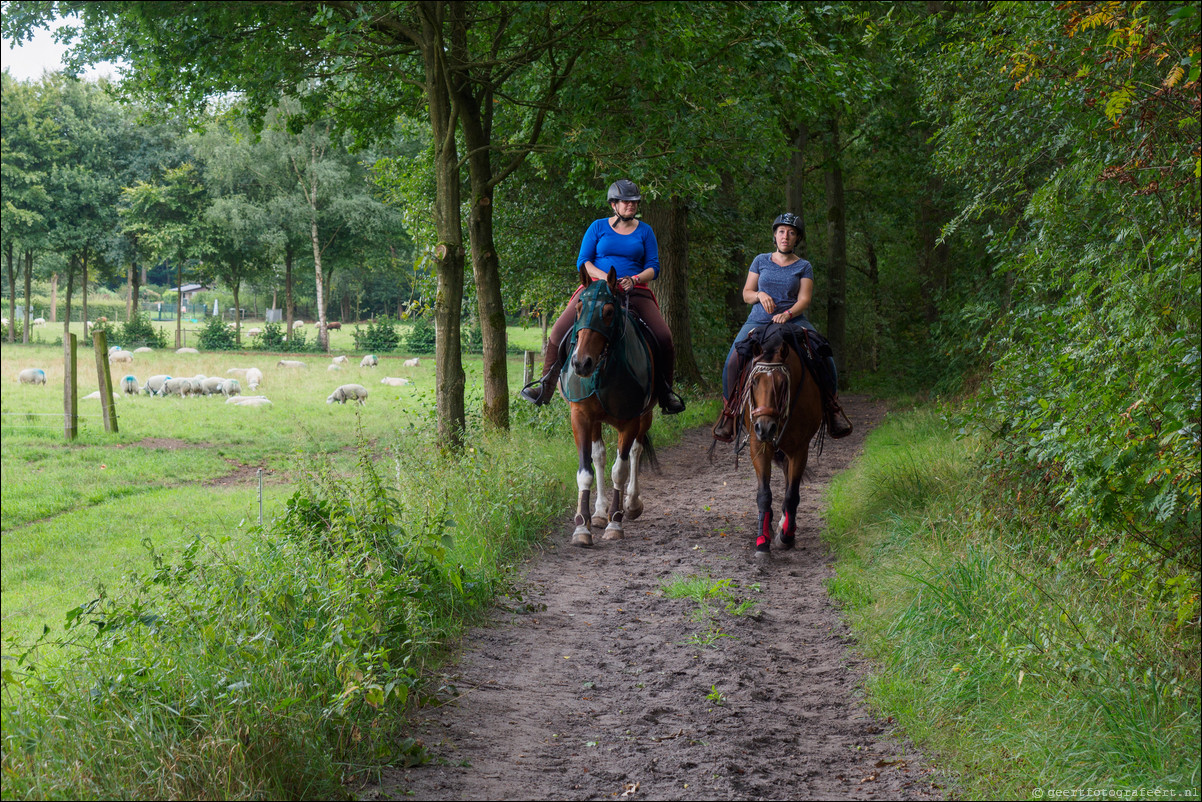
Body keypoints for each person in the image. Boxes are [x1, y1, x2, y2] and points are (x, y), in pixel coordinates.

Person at [520, 179, 686, 414]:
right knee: (558, 331)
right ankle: (545, 385)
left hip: (633, 290)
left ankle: (665, 393)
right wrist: (606, 279)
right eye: (626, 202)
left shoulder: (645, 231)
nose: (631, 205)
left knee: (664, 337)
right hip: (596, 290)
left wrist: (635, 279)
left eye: (634, 202)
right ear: (613, 205)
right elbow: (583, 262)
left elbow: (654, 267)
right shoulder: (597, 227)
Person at [712, 212, 852, 442]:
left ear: (797, 238)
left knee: (824, 356)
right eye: (781, 232)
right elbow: (747, 293)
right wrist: (760, 294)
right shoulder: (760, 260)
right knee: (732, 360)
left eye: (791, 232)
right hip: (759, 319)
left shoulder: (804, 266)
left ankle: (832, 409)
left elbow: (804, 300)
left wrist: (787, 313)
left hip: (794, 319)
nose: (785, 236)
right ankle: (730, 413)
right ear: (774, 236)